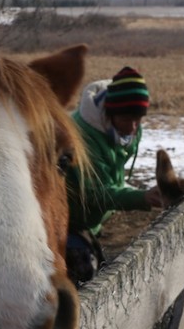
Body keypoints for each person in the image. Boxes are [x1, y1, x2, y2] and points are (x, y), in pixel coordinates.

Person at [64, 65, 163, 284]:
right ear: (110, 113)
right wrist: (141, 197)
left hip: (89, 221)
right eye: (127, 119)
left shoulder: (127, 130)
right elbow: (93, 193)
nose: (134, 127)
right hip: (65, 219)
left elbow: (111, 177)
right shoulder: (84, 137)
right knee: (83, 280)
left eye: (139, 119)